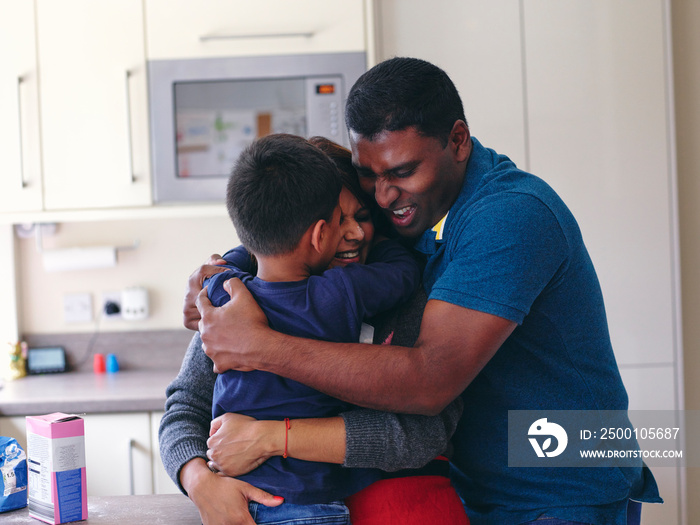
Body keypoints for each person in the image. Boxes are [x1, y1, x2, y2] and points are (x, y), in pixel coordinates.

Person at [193, 57, 662, 525]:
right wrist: (224, 271)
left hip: (564, 494)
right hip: (481, 491)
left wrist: (260, 347)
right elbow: (291, 236)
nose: (382, 197)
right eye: (368, 174)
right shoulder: (412, 213)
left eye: (400, 172)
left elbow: (429, 382)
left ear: (458, 141)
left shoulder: (512, 216)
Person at [160, 133, 467, 525]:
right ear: (314, 232)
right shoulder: (240, 305)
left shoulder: (407, 300)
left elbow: (424, 431)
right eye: (339, 221)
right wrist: (198, 479)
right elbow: (185, 407)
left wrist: (272, 437)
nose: (352, 234)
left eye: (363, 216)